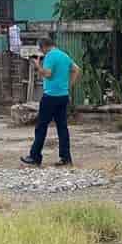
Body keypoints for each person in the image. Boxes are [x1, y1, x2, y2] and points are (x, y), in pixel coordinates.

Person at [21, 36, 80, 167]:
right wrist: (68, 85)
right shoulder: (64, 55)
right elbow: (76, 69)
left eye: (41, 50)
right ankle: (66, 158)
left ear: (44, 47)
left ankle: (35, 156)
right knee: (62, 127)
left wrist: (37, 66)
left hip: (50, 96)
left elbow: (47, 74)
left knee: (41, 126)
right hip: (63, 95)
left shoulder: (50, 56)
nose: (42, 53)